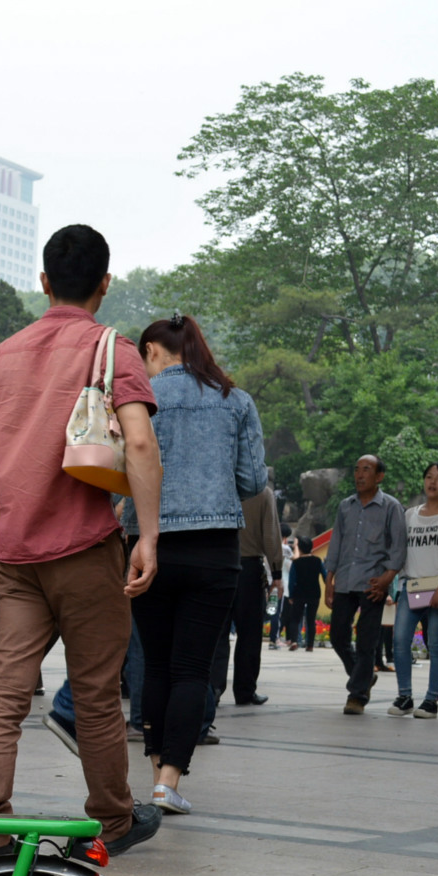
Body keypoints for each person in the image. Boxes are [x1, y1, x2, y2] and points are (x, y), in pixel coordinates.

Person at [0, 225, 163, 858]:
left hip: (12, 550)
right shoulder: (113, 348)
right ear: (105, 283)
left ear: (44, 282)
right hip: (83, 545)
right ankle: (112, 822)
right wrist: (148, 536)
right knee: (98, 692)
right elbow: (138, 442)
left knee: (5, 688)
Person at [126, 314, 265, 816]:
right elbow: (252, 481)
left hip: (149, 543)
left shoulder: (138, 398)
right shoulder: (236, 400)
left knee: (156, 665)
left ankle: (154, 766)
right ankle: (169, 781)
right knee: (192, 668)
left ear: (152, 351)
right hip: (214, 550)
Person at [323, 455, 406, 714]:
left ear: (379, 476)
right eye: (357, 470)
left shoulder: (392, 507)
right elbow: (335, 544)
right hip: (346, 580)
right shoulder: (345, 506)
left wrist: (387, 578)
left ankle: (357, 695)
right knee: (337, 636)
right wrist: (329, 581)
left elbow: (399, 547)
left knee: (367, 640)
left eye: (366, 470)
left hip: (374, 583)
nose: (360, 475)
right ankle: (364, 676)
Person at [388, 462, 438, 718]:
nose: (433, 482)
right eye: (429, 477)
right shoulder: (410, 514)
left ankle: (431, 701)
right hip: (411, 586)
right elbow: (399, 551)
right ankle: (404, 696)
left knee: (437, 644)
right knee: (399, 641)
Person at [230, 481, 283, 704]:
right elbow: (270, 535)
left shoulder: (219, 483)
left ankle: (210, 691)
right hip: (249, 569)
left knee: (215, 634)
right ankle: (245, 691)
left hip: (216, 564)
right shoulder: (262, 492)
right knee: (249, 635)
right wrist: (277, 573)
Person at [285, 534, 323, 650]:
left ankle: (294, 642)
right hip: (314, 593)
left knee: (295, 618)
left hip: (299, 594)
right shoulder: (317, 561)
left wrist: (291, 595)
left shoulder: (296, 563)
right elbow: (325, 575)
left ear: (299, 548)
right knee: (311, 619)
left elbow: (292, 581)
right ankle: (310, 645)